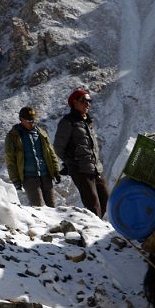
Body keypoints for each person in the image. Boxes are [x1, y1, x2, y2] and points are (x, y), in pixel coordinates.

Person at [54, 87, 109, 218]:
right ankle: (94, 233)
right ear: (74, 102)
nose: (88, 103)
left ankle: (98, 227)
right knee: (93, 204)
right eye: (84, 100)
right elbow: (58, 147)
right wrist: (71, 162)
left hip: (95, 168)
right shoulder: (68, 122)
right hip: (80, 169)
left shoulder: (87, 122)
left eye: (89, 101)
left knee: (106, 199)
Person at [4, 105, 61, 207]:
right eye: (29, 120)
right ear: (21, 119)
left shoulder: (41, 133)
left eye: (33, 120)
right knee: (39, 206)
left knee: (52, 206)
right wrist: (15, 180)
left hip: (46, 175)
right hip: (29, 177)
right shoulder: (13, 136)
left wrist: (56, 171)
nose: (32, 122)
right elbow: (10, 160)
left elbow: (51, 153)